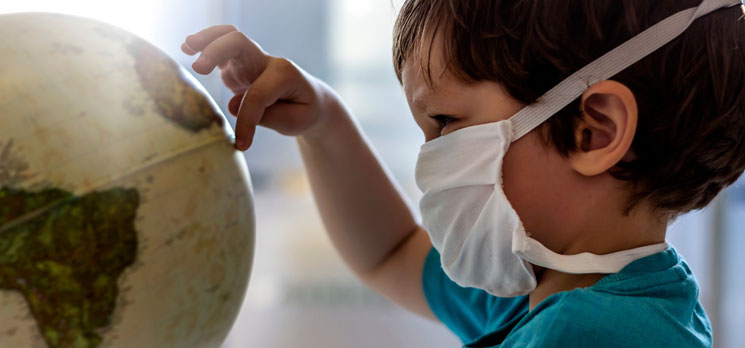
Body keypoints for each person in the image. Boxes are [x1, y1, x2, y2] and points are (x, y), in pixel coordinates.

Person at [181, 0, 745, 346]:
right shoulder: (539, 289)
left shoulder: (594, 335)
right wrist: (323, 120)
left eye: (446, 123)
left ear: (592, 131)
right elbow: (392, 252)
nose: (431, 161)